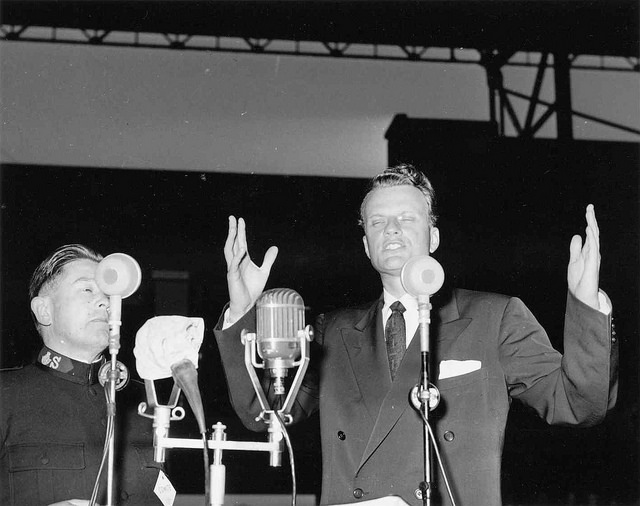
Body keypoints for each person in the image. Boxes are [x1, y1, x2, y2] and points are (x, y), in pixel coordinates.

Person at [214, 164, 618, 506]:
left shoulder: (494, 317)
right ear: (366, 246)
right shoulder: (331, 332)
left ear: (434, 236)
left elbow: (579, 405)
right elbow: (263, 415)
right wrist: (242, 312)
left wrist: (587, 306)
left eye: (406, 219)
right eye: (377, 222)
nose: (391, 230)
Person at [0, 244, 165, 506]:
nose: (105, 302)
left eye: (108, 294)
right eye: (87, 289)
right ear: (44, 310)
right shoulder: (6, 395)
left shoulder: (147, 403)